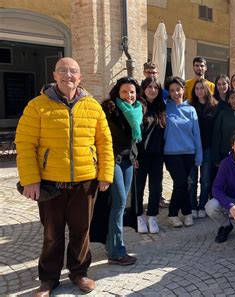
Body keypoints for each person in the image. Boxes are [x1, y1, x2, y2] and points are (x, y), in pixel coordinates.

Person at [15, 57, 114, 295]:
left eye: (73, 72)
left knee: (81, 231)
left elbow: (104, 142)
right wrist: (30, 180)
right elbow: (25, 143)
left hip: (85, 182)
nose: (68, 75)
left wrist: (105, 174)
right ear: (55, 75)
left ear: (80, 78)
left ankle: (79, 273)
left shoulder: (93, 106)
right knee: (52, 233)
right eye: (63, 71)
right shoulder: (37, 105)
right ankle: (48, 279)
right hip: (51, 183)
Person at [102, 77, 143, 266]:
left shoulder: (138, 110)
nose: (129, 96)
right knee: (118, 204)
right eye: (125, 92)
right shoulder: (110, 109)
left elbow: (134, 140)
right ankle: (117, 252)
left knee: (119, 205)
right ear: (117, 92)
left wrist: (134, 157)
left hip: (128, 160)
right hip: (113, 160)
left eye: (132, 92)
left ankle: (111, 245)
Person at [164, 76, 203, 227]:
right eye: (172, 90)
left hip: (189, 153)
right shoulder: (165, 107)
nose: (175, 93)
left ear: (183, 90)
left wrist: (198, 156)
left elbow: (197, 134)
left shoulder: (191, 109)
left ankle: (185, 212)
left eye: (178, 89)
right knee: (180, 183)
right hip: (171, 153)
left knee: (183, 185)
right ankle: (174, 213)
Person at [135, 77, 166, 234]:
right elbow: (132, 133)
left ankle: (152, 216)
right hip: (140, 156)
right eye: (149, 87)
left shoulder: (161, 107)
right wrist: (133, 156)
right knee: (139, 187)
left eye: (156, 87)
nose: (152, 90)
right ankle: (139, 215)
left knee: (156, 187)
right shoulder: (138, 106)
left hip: (157, 155)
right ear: (144, 88)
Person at [189, 79, 218, 218]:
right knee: (192, 180)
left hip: (207, 148)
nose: (199, 91)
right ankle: (192, 206)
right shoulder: (190, 106)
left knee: (206, 180)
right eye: (197, 88)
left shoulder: (214, 106)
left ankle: (202, 206)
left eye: (201, 88)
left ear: (207, 90)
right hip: (192, 148)